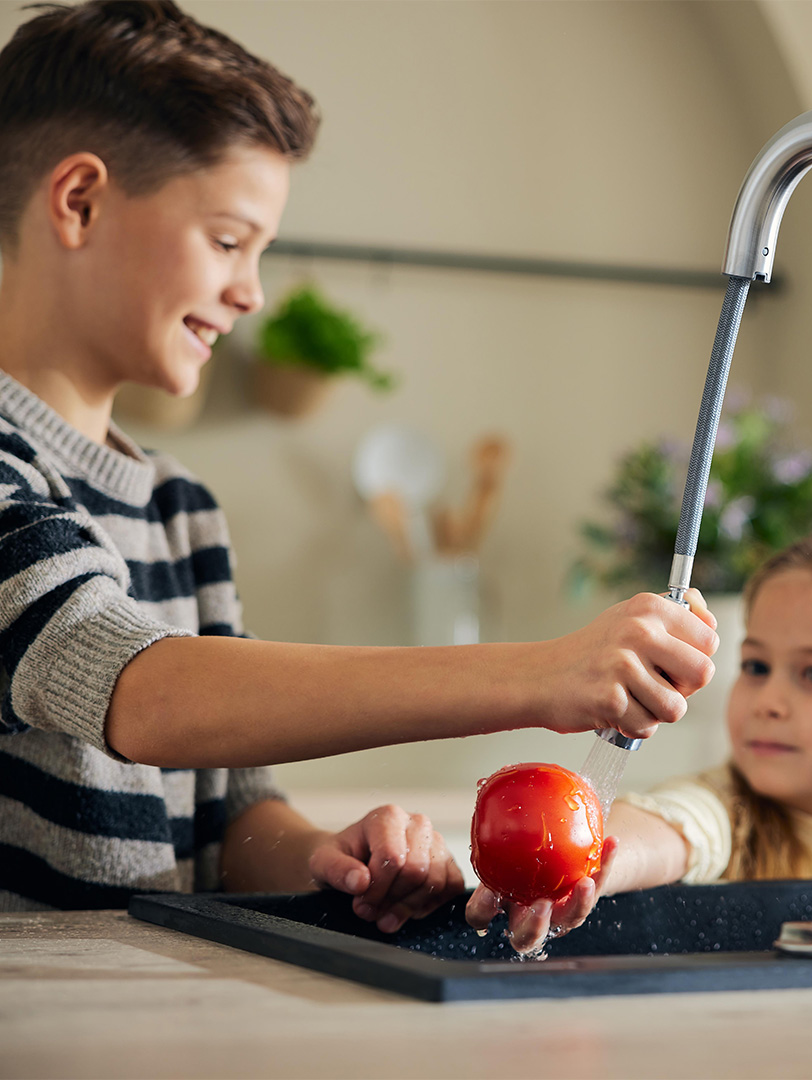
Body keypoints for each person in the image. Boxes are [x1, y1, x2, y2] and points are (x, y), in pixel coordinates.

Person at [0, 1, 719, 923]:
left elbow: (227, 815)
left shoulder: (182, 508)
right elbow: (143, 693)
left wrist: (323, 857)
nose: (250, 292)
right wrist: (542, 673)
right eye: (227, 241)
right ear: (80, 201)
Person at [467, 531, 812, 953]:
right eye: (756, 666)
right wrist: (578, 868)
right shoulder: (728, 813)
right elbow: (663, 827)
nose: (768, 701)